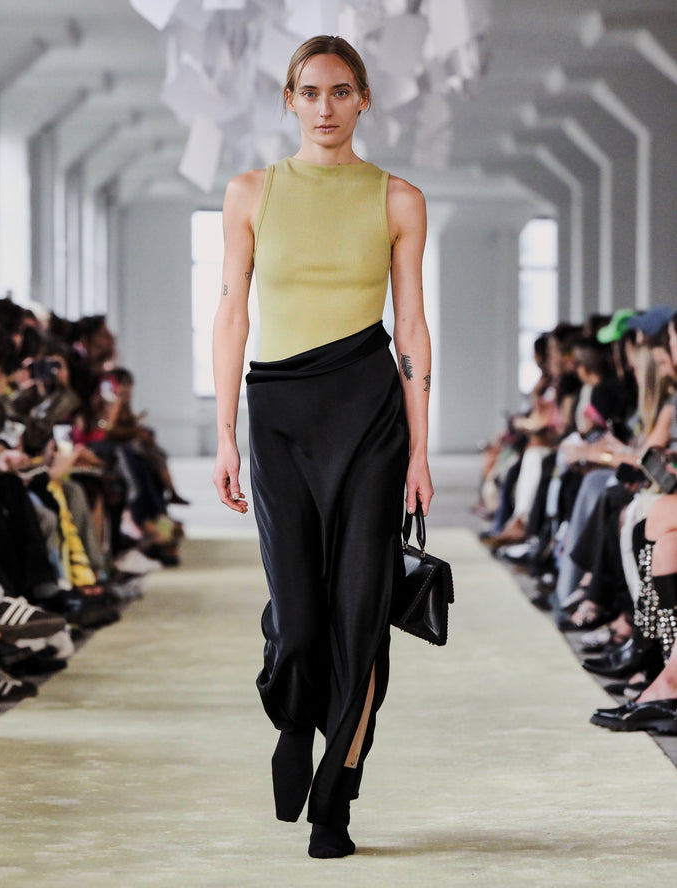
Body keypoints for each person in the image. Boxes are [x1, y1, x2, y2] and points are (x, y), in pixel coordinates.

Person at [212, 34, 433, 858]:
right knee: (301, 622)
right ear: (290, 100)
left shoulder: (397, 198)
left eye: (341, 92)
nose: (326, 107)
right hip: (278, 415)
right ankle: (295, 715)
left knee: (361, 613)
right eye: (310, 92)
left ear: (364, 99)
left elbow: (411, 325)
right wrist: (225, 435)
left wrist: (419, 449)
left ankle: (336, 799)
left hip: (370, 413)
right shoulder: (251, 192)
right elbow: (231, 312)